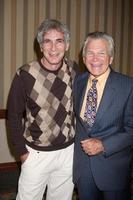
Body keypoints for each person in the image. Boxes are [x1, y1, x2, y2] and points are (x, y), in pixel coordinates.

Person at [7, 19, 78, 200]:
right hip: (36, 154)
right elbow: (13, 116)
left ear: (67, 45)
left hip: (67, 153)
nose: (53, 48)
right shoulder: (25, 74)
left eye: (59, 41)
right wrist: (22, 152)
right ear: (40, 46)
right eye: (47, 41)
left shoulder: (74, 69)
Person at [73, 31, 133, 200]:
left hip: (113, 170)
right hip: (83, 169)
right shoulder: (78, 82)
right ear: (83, 58)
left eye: (101, 53)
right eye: (90, 53)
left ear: (111, 58)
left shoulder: (128, 86)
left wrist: (104, 145)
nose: (95, 59)